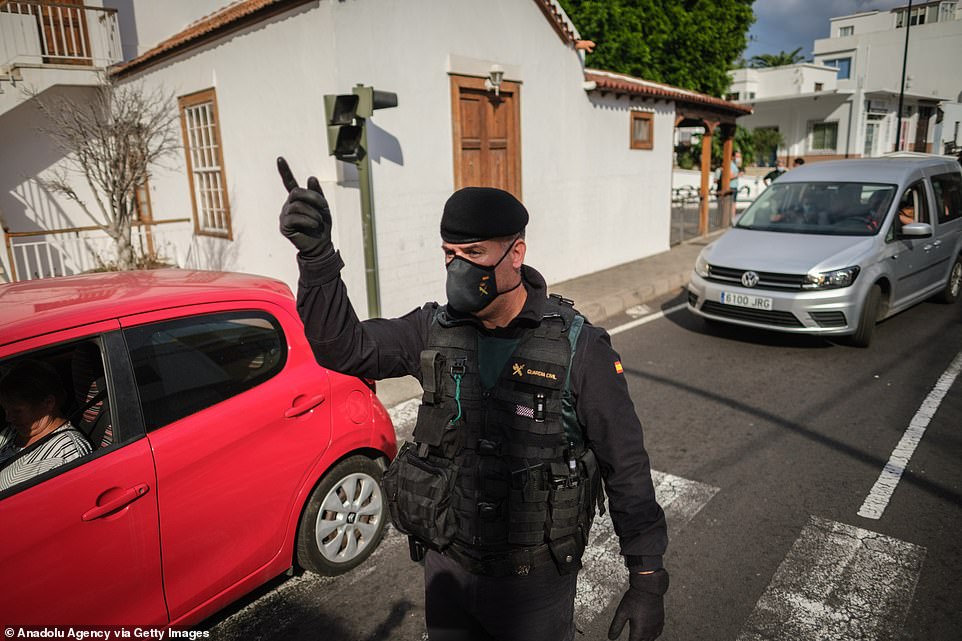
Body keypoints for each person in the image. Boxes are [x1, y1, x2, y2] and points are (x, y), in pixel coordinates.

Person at [276, 157, 668, 641]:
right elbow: (345, 348)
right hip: (448, 570)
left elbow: (626, 466)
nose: (458, 267)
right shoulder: (432, 329)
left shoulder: (579, 348)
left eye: (474, 252)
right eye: (449, 253)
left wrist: (647, 579)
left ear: (516, 253)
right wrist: (317, 260)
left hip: (533, 588)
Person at [0, 360, 92, 493]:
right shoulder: (13, 431)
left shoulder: (67, 454)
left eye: (17, 411)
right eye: (5, 410)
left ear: (48, 403)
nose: (8, 418)